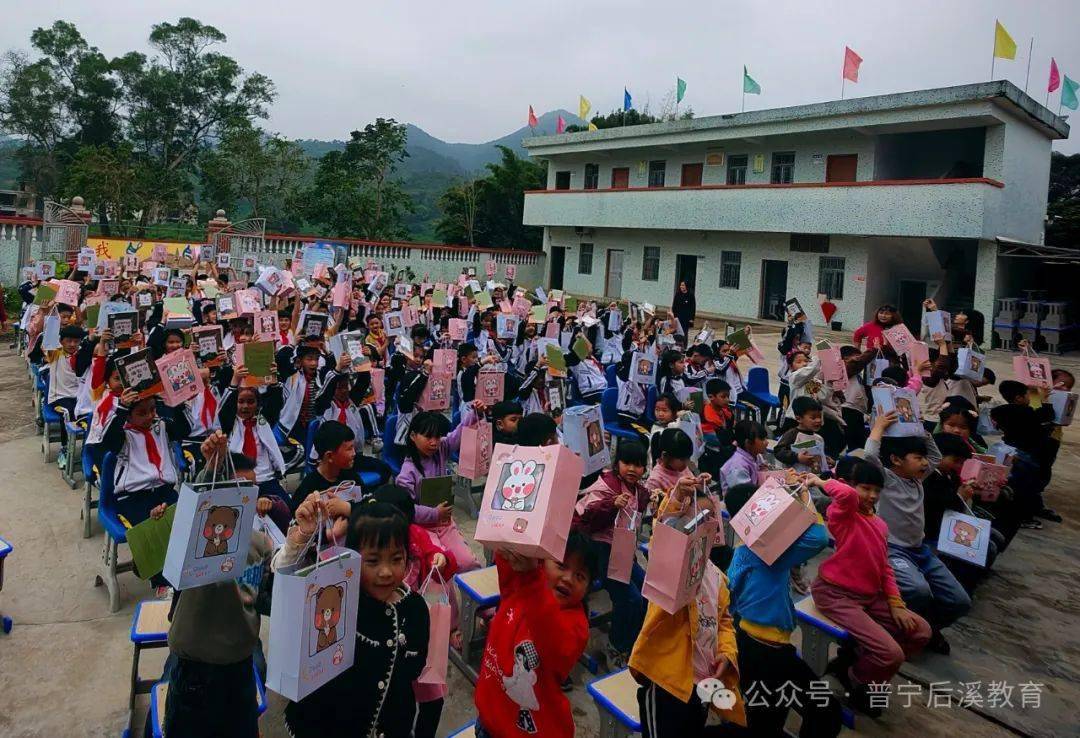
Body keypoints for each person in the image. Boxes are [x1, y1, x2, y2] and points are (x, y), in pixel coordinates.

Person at [273, 497, 430, 737]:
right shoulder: (337, 598)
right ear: (352, 558)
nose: (386, 571)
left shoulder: (416, 608)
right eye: (372, 561)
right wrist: (301, 538)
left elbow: (415, 670)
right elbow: (287, 586)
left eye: (396, 559)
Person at [160, 434, 272, 738]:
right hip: (195, 671)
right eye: (237, 488)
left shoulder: (261, 544)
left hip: (239, 668)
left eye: (251, 489)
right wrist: (210, 469)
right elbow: (194, 509)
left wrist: (301, 543)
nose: (245, 497)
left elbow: (269, 600)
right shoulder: (197, 543)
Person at [806, 463, 931, 717]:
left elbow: (885, 568)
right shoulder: (843, 514)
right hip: (835, 594)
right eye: (865, 488)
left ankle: (857, 666)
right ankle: (856, 680)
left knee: (921, 632)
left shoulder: (880, 525)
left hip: (869, 596)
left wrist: (896, 604)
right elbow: (846, 495)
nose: (872, 496)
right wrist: (820, 481)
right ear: (850, 485)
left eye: (877, 490)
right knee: (891, 654)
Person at [725, 482, 843, 737]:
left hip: (759, 645)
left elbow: (730, 594)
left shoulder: (748, 550)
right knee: (814, 713)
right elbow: (819, 537)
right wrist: (803, 495)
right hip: (763, 651)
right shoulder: (766, 551)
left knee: (776, 718)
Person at [629, 486, 746, 736]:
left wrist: (726, 653)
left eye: (709, 518)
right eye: (696, 518)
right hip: (666, 682)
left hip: (703, 682)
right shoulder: (670, 566)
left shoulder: (718, 577)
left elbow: (725, 622)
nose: (703, 525)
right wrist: (676, 498)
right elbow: (662, 537)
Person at [864, 410, 970, 654]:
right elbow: (870, 456)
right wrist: (879, 427)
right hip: (894, 551)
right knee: (917, 590)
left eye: (924, 458)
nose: (925, 463)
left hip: (920, 551)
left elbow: (936, 456)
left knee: (960, 601)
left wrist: (920, 429)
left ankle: (927, 629)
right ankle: (900, 630)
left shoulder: (917, 480)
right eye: (918, 458)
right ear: (896, 460)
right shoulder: (887, 480)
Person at [473, 534, 599, 737]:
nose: (568, 578)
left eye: (580, 576)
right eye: (561, 565)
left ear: (587, 589)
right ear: (541, 562)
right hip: (488, 721)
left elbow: (554, 642)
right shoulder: (519, 587)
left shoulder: (577, 625)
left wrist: (532, 579)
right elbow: (507, 554)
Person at [367, 484, 458, 738]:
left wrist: (441, 559)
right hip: (385, 639)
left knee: (433, 696)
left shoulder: (416, 536)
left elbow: (437, 556)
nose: (386, 571)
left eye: (397, 558)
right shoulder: (368, 542)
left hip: (417, 635)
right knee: (394, 702)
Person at [574, 440, 650, 665]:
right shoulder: (607, 485)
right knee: (631, 599)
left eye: (638, 464)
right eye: (627, 463)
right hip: (602, 553)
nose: (632, 469)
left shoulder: (638, 491)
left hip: (623, 553)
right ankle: (616, 646)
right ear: (617, 464)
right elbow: (584, 516)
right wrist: (611, 504)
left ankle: (635, 640)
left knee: (647, 591)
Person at [396, 407, 484, 576]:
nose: (434, 442)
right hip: (422, 528)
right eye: (428, 437)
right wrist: (435, 513)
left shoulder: (441, 449)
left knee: (469, 563)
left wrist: (475, 414)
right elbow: (407, 510)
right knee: (439, 567)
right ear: (413, 436)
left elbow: (458, 434)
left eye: (437, 437)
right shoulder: (407, 473)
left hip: (444, 523)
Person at [218, 367, 290, 532]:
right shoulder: (229, 423)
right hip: (239, 484)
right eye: (241, 401)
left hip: (266, 480)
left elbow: (275, 403)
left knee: (288, 511)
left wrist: (272, 378)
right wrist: (235, 380)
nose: (245, 406)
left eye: (251, 402)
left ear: (258, 404)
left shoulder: (264, 421)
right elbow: (224, 409)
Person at [289, 420, 361, 513]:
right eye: (349, 449)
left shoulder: (352, 477)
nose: (354, 453)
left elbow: (367, 504)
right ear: (329, 456)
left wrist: (348, 508)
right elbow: (295, 515)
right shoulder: (308, 487)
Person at [719, 420, 768, 493]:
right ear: (748, 443)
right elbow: (744, 495)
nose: (767, 442)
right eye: (762, 439)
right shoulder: (737, 467)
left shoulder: (757, 455)